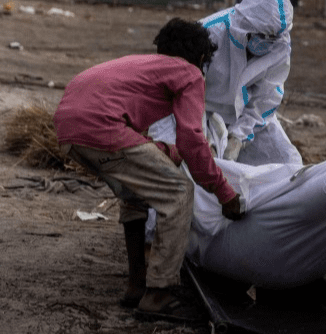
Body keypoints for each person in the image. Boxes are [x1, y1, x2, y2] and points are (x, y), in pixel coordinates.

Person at [53, 18, 244, 323]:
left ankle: (136, 285)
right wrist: (225, 194)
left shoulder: (141, 66)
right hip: (101, 127)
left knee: (134, 194)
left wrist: (167, 152)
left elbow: (136, 137)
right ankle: (159, 294)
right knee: (179, 194)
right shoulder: (189, 72)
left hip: (67, 128)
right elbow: (193, 139)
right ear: (200, 58)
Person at [199, 0, 300, 165]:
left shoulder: (280, 44)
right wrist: (206, 140)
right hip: (203, 114)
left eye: (273, 37)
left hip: (246, 117)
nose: (268, 42)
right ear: (246, 24)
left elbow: (267, 97)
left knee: (288, 163)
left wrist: (238, 137)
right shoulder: (209, 34)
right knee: (202, 169)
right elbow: (189, 92)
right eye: (262, 35)